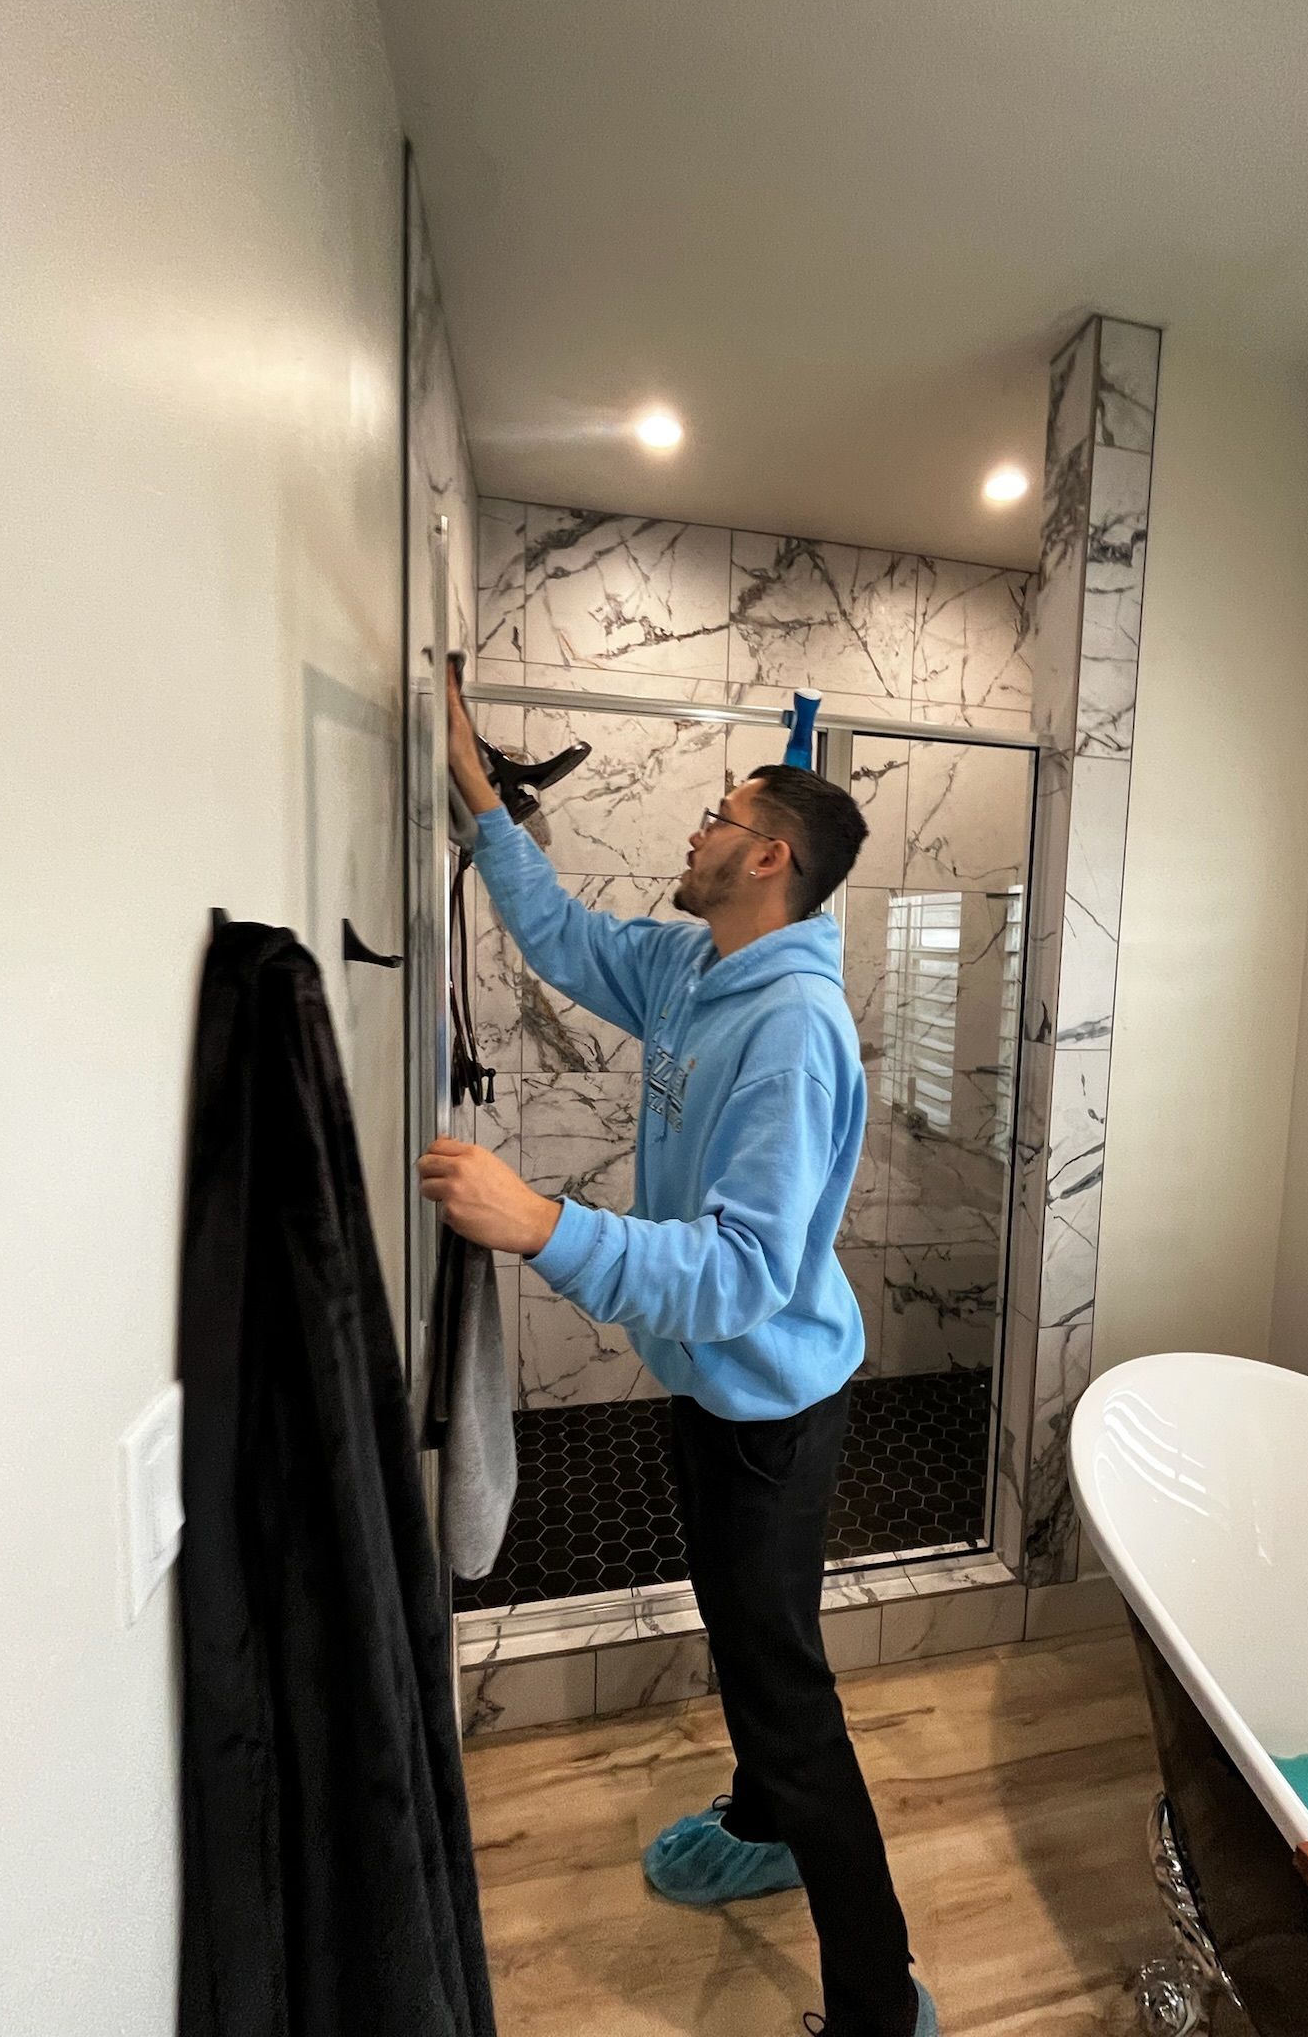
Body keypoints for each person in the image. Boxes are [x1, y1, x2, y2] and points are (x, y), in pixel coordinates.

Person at [419, 663, 937, 2037]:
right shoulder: (698, 969)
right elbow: (566, 937)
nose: (692, 829)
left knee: (786, 1684)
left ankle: (878, 1995)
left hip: (773, 1403)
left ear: (767, 856)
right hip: (718, 1387)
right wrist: (480, 800)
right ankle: (763, 1820)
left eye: (717, 814)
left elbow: (747, 1271)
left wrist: (546, 1224)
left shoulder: (787, 1033)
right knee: (747, 1634)